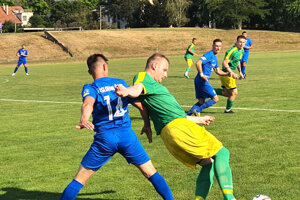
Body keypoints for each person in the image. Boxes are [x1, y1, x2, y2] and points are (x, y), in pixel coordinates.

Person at [116, 53, 237, 200]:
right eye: (165, 70)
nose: (166, 75)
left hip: (171, 135)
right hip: (179, 128)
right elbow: (137, 88)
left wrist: (199, 119)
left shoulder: (153, 89)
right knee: (222, 153)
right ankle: (230, 198)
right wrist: (127, 91)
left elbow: (153, 109)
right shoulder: (143, 77)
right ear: (155, 66)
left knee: (208, 164)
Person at [60, 54, 173, 200]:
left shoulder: (90, 88)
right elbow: (141, 106)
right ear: (105, 67)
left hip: (105, 139)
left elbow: (88, 103)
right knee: (151, 173)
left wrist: (84, 118)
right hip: (127, 137)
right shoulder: (120, 83)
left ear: (90, 72)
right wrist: (146, 124)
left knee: (79, 179)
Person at [187, 39, 229, 116]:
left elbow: (217, 71)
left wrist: (227, 74)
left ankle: (187, 116)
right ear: (212, 46)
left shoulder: (214, 58)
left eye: (220, 46)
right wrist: (202, 74)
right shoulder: (209, 54)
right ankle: (197, 110)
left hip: (198, 80)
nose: (218, 48)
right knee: (215, 98)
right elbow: (198, 63)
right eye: (216, 46)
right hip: (202, 81)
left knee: (201, 101)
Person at [214, 35, 246, 114]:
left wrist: (240, 72)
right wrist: (231, 73)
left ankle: (211, 91)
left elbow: (237, 61)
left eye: (243, 42)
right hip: (227, 74)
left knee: (227, 93)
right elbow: (225, 62)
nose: (241, 44)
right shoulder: (232, 50)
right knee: (234, 93)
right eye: (240, 42)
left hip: (228, 74)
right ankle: (227, 110)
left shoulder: (241, 50)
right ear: (236, 42)